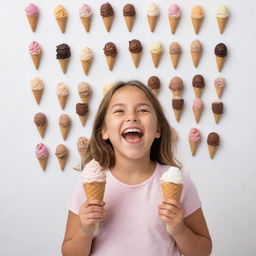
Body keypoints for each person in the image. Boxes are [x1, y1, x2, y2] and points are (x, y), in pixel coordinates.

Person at [62, 81, 212, 256]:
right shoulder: (89, 180)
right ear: (104, 131)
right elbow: (69, 252)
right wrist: (85, 230)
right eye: (119, 111)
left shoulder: (177, 180)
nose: (132, 117)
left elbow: (203, 251)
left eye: (143, 110)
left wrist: (179, 230)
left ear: (158, 129)